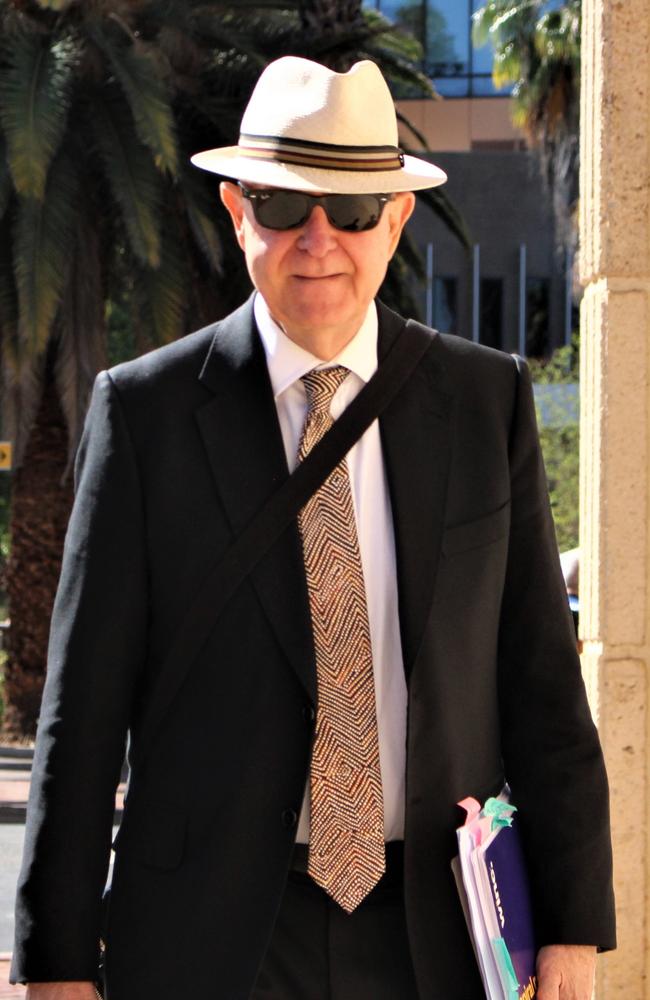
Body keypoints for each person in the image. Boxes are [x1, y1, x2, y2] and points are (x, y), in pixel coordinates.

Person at [12, 56, 615, 1000]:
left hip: (437, 936)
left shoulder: (484, 399)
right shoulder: (145, 414)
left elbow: (540, 678)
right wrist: (52, 966)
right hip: (205, 939)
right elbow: (80, 717)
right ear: (237, 211)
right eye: (284, 205)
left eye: (353, 208)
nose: (318, 239)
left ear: (398, 218)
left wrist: (573, 932)